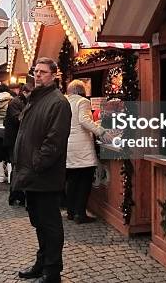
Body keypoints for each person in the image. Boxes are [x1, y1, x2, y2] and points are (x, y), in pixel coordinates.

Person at [12, 58, 71, 283]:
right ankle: (42, 262)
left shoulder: (58, 102)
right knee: (39, 223)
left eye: (43, 72)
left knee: (50, 224)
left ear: (54, 75)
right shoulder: (36, 99)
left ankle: (52, 271)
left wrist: (37, 164)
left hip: (44, 175)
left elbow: (54, 142)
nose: (38, 75)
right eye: (36, 71)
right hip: (31, 174)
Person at [65, 80, 112, 224]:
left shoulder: (65, 101)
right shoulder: (83, 101)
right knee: (84, 181)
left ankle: (71, 211)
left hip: (69, 145)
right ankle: (80, 213)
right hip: (82, 148)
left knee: (72, 180)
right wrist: (102, 131)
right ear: (81, 90)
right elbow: (84, 120)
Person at [4, 82, 33, 206]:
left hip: (19, 139)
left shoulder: (20, 102)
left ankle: (18, 194)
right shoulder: (15, 103)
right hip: (14, 140)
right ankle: (15, 194)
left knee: (19, 167)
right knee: (17, 167)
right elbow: (18, 120)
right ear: (25, 92)